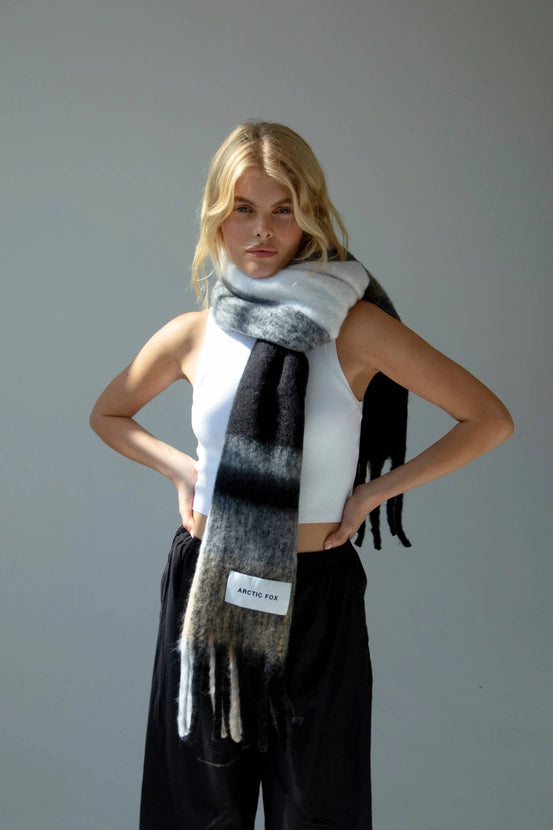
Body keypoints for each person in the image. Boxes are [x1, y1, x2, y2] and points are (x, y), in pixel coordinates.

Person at [90, 121, 513, 830]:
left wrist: (376, 492)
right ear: (216, 217)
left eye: (282, 209)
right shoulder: (195, 332)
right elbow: (109, 413)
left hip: (315, 591)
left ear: (310, 214)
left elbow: (487, 419)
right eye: (243, 209)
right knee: (198, 808)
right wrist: (182, 472)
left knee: (317, 808)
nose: (262, 229)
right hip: (211, 579)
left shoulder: (355, 327)